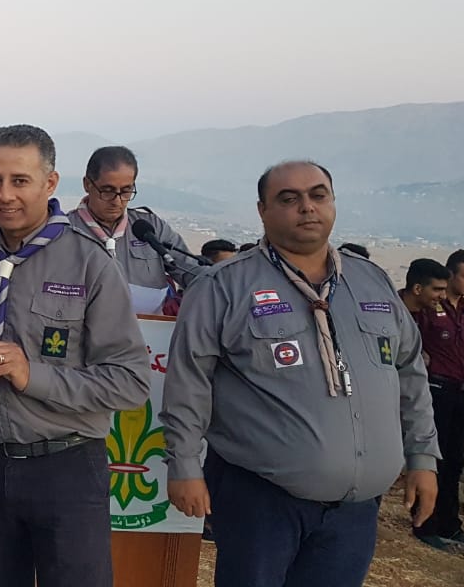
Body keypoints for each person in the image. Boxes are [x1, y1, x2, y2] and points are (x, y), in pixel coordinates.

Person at [162, 160, 439, 587]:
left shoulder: (371, 280)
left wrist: (422, 457)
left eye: (317, 195)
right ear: (262, 210)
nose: (307, 207)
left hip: (355, 511)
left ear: (332, 202)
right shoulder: (223, 286)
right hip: (260, 501)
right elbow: (188, 384)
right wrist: (184, 466)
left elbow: (409, 372)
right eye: (289, 198)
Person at [0, 125, 149, 587]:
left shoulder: (90, 263)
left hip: (65, 467)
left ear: (50, 183)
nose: (4, 195)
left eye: (20, 180)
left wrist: (32, 375)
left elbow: (132, 381)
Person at [74, 145, 203, 313]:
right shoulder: (66, 231)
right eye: (107, 191)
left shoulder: (151, 228)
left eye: (126, 191)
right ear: (87, 184)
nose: (117, 201)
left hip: (148, 326)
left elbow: (191, 271)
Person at [414, 248, 464, 550]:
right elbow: (413, 341)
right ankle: (424, 524)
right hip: (434, 390)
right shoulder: (431, 306)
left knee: (454, 462)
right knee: (434, 460)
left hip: (458, 393)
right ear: (451, 274)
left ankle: (450, 525)